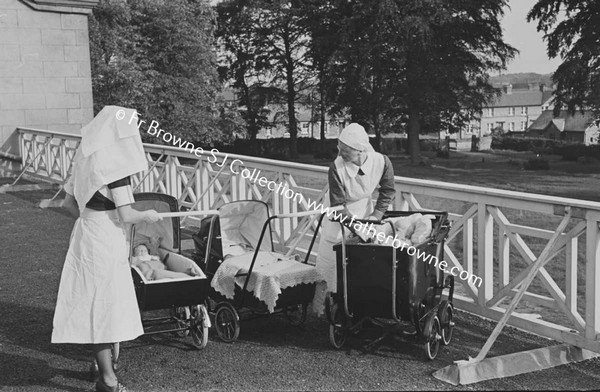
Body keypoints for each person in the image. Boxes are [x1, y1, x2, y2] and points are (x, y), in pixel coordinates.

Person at [51, 106, 161, 392]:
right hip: (107, 235)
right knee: (106, 304)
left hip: (86, 232)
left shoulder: (85, 157)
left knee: (92, 300)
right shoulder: (116, 170)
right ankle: (108, 380)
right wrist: (147, 214)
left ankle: (101, 364)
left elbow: (67, 203)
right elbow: (127, 215)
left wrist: (90, 219)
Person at [312, 123, 395, 315]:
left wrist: (376, 216)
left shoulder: (382, 162)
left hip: (366, 213)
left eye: (344, 151)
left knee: (359, 260)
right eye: (339, 149)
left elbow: (388, 191)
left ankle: (357, 306)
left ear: (359, 151)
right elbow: (339, 206)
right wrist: (359, 228)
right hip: (338, 213)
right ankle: (324, 307)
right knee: (330, 258)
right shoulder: (336, 168)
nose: (339, 154)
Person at [131, 243, 202, 280]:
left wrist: (155, 259)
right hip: (152, 273)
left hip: (160, 270)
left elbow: (160, 262)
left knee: (170, 274)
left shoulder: (152, 258)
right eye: (140, 251)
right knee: (164, 273)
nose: (143, 252)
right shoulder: (136, 260)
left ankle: (186, 274)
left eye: (145, 250)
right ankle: (187, 275)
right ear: (135, 253)